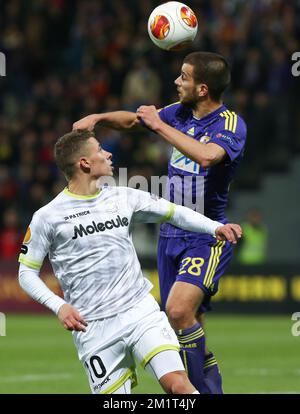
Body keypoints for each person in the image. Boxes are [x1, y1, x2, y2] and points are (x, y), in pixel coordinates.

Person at [73, 51, 247, 394]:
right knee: (186, 323)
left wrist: (160, 125)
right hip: (170, 233)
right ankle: (209, 390)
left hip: (206, 233)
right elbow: (136, 120)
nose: (176, 81)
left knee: (178, 310)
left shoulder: (230, 124)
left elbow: (208, 156)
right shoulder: (180, 113)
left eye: (184, 77)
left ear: (202, 89)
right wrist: (99, 117)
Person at [18, 129, 242, 395]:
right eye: (100, 149)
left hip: (140, 311)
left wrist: (214, 227)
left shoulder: (124, 197)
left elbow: (174, 213)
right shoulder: (48, 217)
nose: (108, 153)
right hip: (93, 327)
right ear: (84, 163)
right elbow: (26, 273)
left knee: (180, 386)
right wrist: (59, 306)